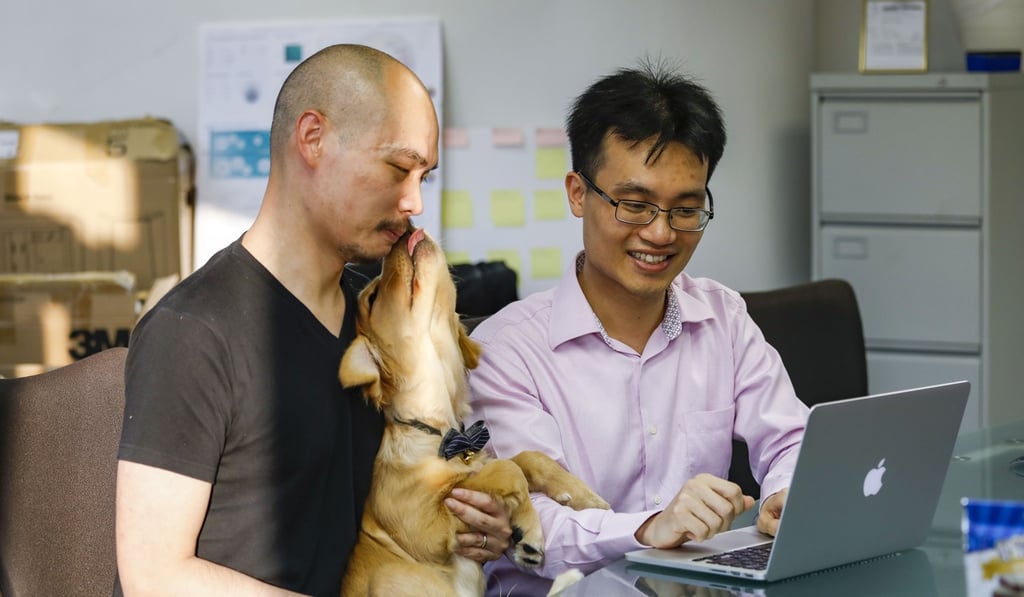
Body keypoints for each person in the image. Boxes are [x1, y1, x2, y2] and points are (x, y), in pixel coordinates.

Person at [114, 44, 512, 597]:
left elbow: (410, 479)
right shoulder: (193, 331)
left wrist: (471, 523)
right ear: (313, 139)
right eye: (399, 167)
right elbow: (154, 576)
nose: (414, 200)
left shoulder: (377, 312)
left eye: (425, 175)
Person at [466, 60, 810, 596]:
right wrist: (650, 528)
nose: (660, 233)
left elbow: (792, 436)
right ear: (579, 193)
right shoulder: (503, 350)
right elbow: (529, 525)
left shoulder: (723, 317)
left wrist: (781, 495)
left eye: (686, 209)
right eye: (635, 205)